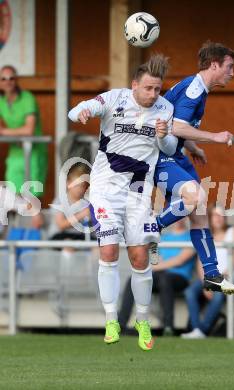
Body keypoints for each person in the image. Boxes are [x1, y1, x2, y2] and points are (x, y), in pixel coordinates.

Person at [68, 54, 178, 351]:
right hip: (106, 189)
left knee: (139, 257)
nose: (154, 94)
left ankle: (142, 321)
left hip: (139, 191)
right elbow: (79, 109)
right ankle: (111, 319)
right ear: (134, 85)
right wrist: (81, 111)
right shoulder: (115, 98)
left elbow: (169, 147)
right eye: (148, 89)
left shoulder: (165, 108)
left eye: (158, 89)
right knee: (108, 249)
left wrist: (164, 136)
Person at [152, 40, 234, 294]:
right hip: (159, 156)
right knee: (197, 197)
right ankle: (150, 227)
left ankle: (211, 274)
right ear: (215, 64)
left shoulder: (197, 88)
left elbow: (175, 125)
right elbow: (176, 127)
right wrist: (214, 137)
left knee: (199, 211)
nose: (232, 73)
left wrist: (193, 148)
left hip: (174, 154)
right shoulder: (194, 89)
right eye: (229, 67)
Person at [118, 218, 196, 335]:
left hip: (180, 278)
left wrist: (153, 267)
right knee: (133, 280)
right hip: (160, 276)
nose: (178, 220)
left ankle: (168, 326)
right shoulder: (163, 238)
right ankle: (121, 325)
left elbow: (179, 260)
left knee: (166, 279)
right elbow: (154, 259)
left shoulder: (191, 237)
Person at [181, 205, 234, 338]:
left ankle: (202, 330)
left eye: (221, 215)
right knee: (189, 292)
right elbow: (200, 262)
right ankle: (196, 329)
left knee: (217, 294)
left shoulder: (233, 232)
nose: (219, 218)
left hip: (231, 277)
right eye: (215, 215)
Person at [0, 65, 47, 199]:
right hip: (15, 153)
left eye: (11, 78)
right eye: (3, 79)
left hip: (33, 152)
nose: (8, 81)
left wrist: (3, 131)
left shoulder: (27, 98)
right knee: (12, 194)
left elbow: (29, 130)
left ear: (17, 80)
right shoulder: (1, 100)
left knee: (32, 197)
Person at [48, 163, 93, 251]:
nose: (79, 189)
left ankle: (94, 265)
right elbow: (61, 224)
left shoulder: (86, 203)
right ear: (68, 183)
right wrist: (81, 215)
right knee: (69, 246)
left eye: (82, 186)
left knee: (97, 247)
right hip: (60, 236)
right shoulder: (60, 201)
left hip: (81, 236)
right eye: (76, 185)